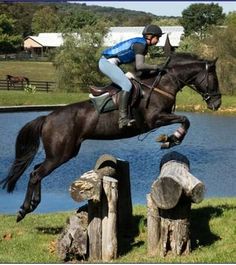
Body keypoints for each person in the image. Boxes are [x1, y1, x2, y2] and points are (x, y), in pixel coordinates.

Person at [98, 24, 164, 129]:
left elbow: (138, 70)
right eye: (157, 37)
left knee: (132, 82)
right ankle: (123, 119)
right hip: (106, 63)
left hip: (110, 63)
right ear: (150, 36)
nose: (158, 40)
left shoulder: (141, 45)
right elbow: (140, 65)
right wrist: (157, 67)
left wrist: (154, 72)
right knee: (126, 85)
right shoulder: (140, 45)